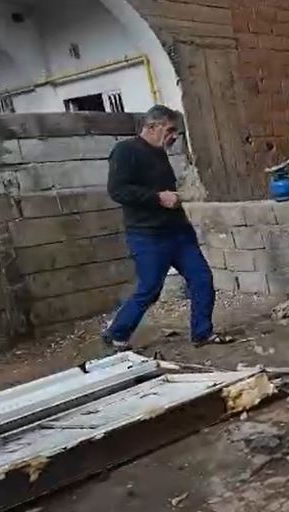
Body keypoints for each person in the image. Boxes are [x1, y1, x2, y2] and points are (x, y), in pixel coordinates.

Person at [102, 105, 232, 350]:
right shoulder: (126, 151)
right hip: (147, 235)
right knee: (150, 288)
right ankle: (116, 332)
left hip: (178, 232)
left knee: (201, 279)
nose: (174, 136)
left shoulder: (160, 153)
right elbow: (117, 190)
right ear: (152, 127)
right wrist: (157, 198)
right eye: (170, 130)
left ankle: (202, 333)